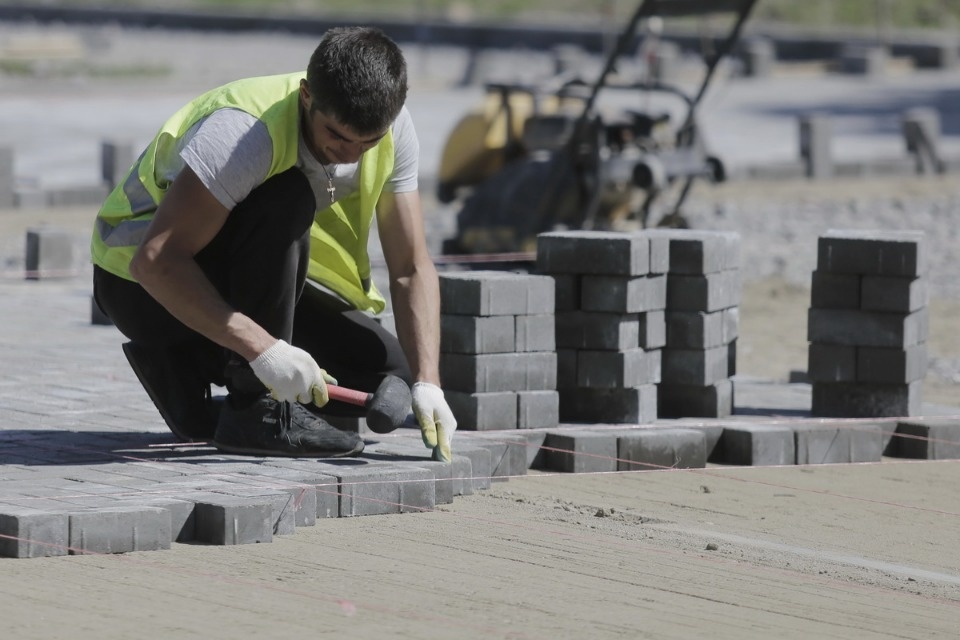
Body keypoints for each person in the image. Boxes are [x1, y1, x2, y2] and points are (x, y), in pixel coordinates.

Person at [90, 26, 457, 461]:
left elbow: (411, 267)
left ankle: (192, 364)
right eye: (338, 136)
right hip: (139, 288)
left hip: (242, 279)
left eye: (368, 142)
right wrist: (265, 351)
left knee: (388, 377)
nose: (351, 155)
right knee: (288, 195)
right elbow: (155, 261)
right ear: (307, 96)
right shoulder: (245, 133)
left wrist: (429, 382)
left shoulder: (394, 128)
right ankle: (255, 410)